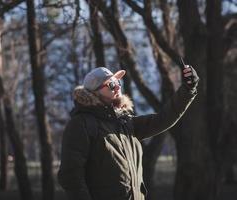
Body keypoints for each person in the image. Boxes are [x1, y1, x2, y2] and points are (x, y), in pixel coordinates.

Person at [58, 65, 199, 200]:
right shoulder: (81, 124)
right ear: (94, 92)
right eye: (111, 84)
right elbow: (70, 176)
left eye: (118, 81)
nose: (118, 86)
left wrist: (188, 88)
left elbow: (163, 119)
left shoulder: (125, 123)